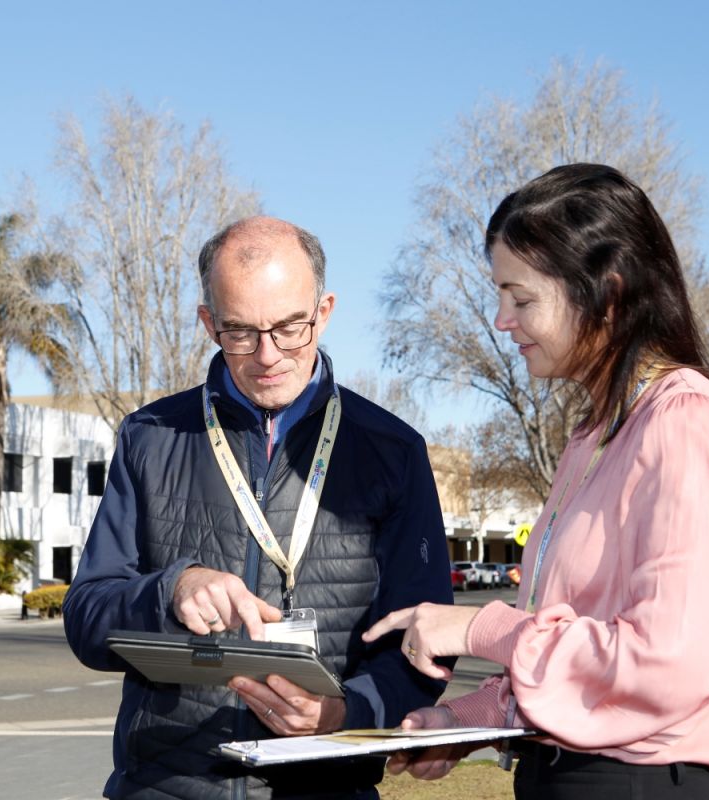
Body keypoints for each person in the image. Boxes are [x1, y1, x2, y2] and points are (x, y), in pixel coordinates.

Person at [364, 164, 709, 799]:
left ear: (606, 292)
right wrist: (462, 722)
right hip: (564, 777)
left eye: (521, 299)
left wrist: (476, 628)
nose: (501, 320)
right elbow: (580, 655)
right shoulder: (596, 433)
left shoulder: (686, 423)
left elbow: (665, 665)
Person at [63, 215, 454, 799]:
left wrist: (344, 714)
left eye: (290, 326)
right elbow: (87, 617)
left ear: (324, 311)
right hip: (166, 785)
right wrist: (169, 590)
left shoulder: (392, 451)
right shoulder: (149, 436)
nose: (268, 354)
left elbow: (425, 641)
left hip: (326, 787)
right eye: (240, 331)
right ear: (208, 323)